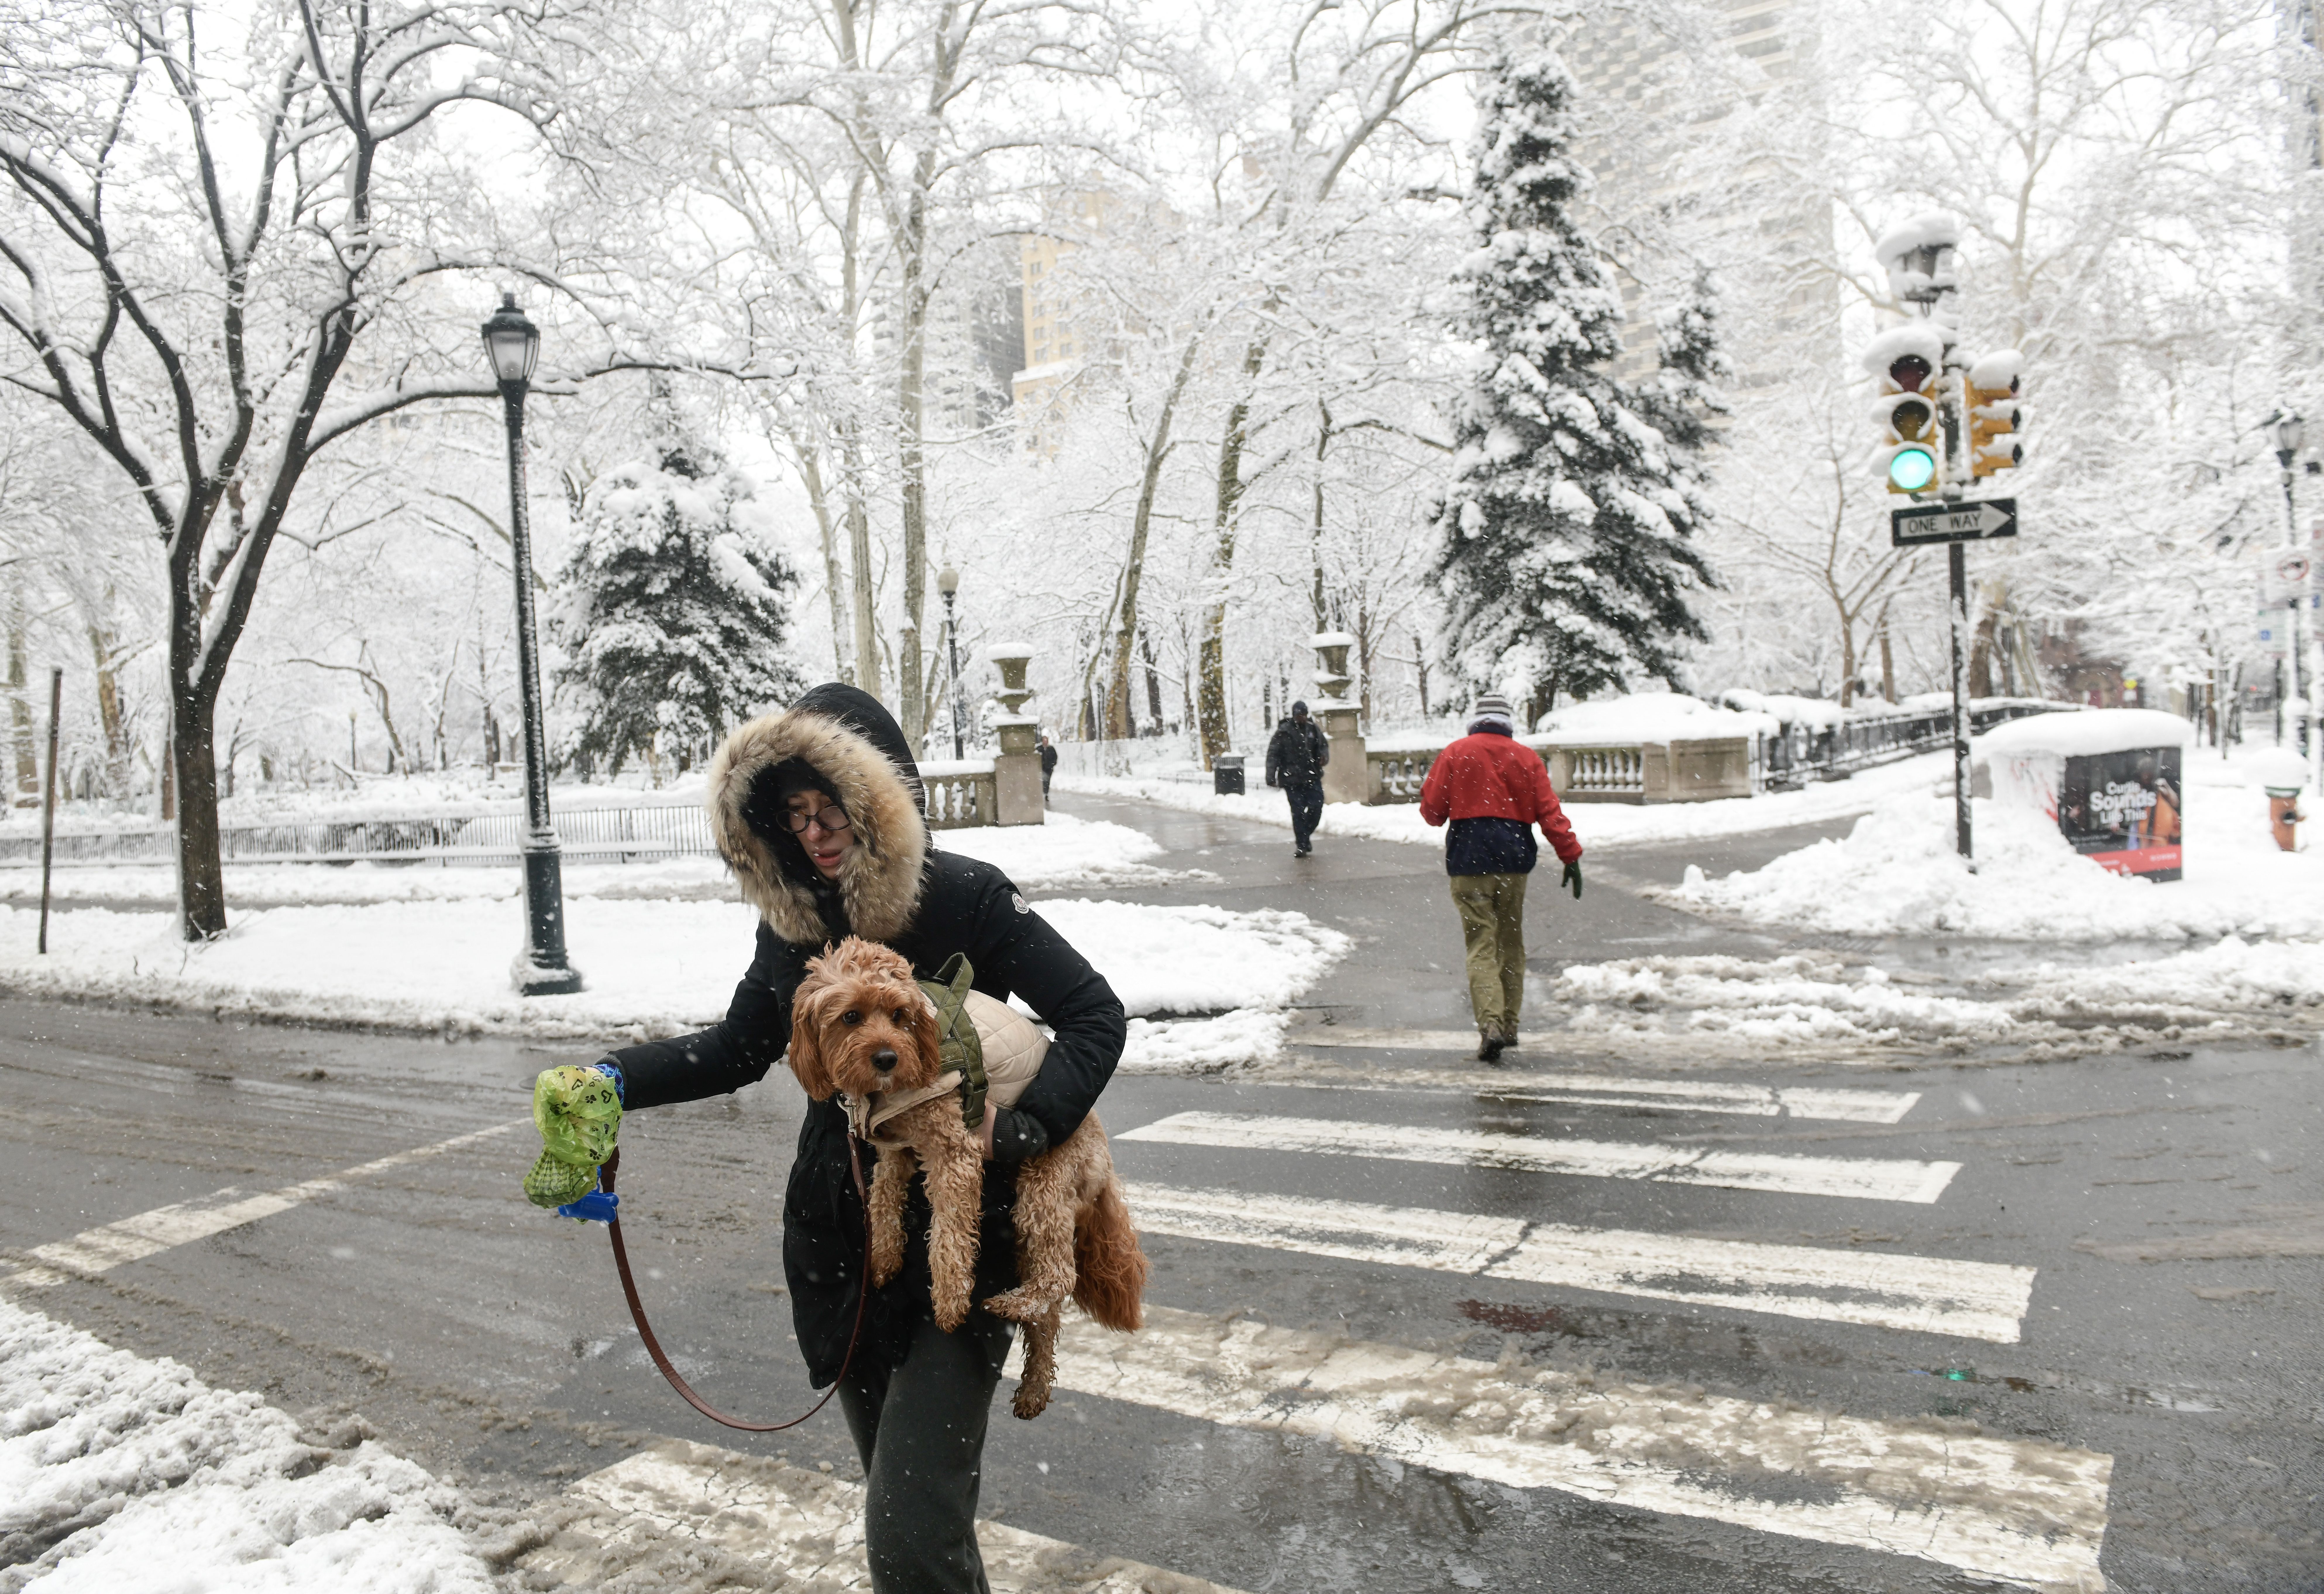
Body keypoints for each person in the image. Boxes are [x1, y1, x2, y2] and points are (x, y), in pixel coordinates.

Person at [528, 683, 1125, 1593]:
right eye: (793, 816)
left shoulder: (965, 897)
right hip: (841, 1250)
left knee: (908, 1532)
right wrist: (613, 1077)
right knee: (912, 1520)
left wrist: (1025, 1126)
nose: (814, 832)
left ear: (880, 799)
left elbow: (1093, 1014)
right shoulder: (793, 925)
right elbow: (735, 1049)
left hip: (964, 1243)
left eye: (830, 806)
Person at [1419, 692, 1583, 1062]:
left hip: (1468, 859)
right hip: (1513, 859)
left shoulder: (1455, 753)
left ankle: (1489, 1024)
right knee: (1511, 942)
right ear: (1508, 723)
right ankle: (1509, 1025)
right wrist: (1569, 854)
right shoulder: (1527, 758)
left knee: (1481, 944)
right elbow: (1549, 811)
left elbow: (1432, 813)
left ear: (1476, 720)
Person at [1264, 699, 1329, 858]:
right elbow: (1273, 755)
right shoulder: (1284, 732)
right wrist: (1270, 776)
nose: (1303, 717)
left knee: (1317, 806)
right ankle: (1301, 845)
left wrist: (1324, 756)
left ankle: (1304, 836)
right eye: (1300, 715)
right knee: (1298, 812)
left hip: (1312, 776)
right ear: (1294, 715)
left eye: (1305, 714)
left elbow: (1323, 746)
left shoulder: (1313, 729)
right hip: (1292, 779)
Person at [1038, 731, 1058, 799]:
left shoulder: (1051, 749)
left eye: (1047, 740)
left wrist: (1052, 765)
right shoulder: (1039, 749)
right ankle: (1042, 792)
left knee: (1047, 781)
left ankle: (1046, 793)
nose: (1046, 741)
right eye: (1044, 740)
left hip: (1049, 769)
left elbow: (1055, 757)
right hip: (1041, 769)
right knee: (1042, 781)